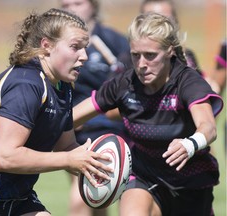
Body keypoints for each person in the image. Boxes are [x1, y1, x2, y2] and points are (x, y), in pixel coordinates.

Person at [0, 8, 113, 216]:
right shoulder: (26, 84)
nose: (84, 56)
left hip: (14, 198)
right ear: (46, 45)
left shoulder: (62, 86)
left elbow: (65, 145)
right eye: (75, 47)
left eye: (85, 48)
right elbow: (5, 157)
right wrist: (69, 160)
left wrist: (95, 162)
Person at [73, 13, 224, 216]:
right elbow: (71, 118)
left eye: (150, 55)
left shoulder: (187, 82)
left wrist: (189, 144)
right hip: (144, 176)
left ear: (169, 51)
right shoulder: (125, 84)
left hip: (191, 184)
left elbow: (208, 127)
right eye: (136, 55)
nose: (142, 64)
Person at [59, 1, 132, 216]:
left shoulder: (114, 42)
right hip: (68, 131)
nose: (71, 8)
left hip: (106, 130)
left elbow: (126, 94)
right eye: (65, 3)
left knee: (87, 195)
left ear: (93, 5)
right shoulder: (57, 45)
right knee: (95, 197)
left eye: (78, 2)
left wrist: (85, 120)